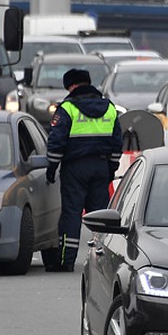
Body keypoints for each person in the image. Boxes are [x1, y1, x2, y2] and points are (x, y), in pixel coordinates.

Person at [45, 67, 125, 272]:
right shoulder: (109, 107)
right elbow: (118, 143)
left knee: (71, 214)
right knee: (100, 217)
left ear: (71, 85)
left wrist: (51, 168)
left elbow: (56, 142)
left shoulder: (67, 108)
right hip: (100, 167)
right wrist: (110, 169)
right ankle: (107, 262)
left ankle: (66, 261)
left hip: (74, 168)